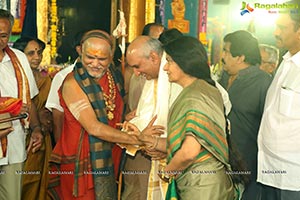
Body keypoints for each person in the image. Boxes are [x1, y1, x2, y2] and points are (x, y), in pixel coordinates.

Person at [47, 30, 161, 200]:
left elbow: (111, 112)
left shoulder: (112, 75)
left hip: (108, 155)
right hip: (82, 161)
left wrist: (126, 119)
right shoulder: (72, 83)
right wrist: (140, 140)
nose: (95, 64)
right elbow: (94, 127)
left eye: (102, 59)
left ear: (110, 57)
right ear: (81, 53)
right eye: (89, 57)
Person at [135, 36, 236, 200]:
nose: (165, 68)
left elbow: (189, 151)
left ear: (185, 62)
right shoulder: (204, 89)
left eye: (169, 61)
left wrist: (167, 172)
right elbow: (191, 141)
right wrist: (150, 141)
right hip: (205, 182)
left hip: (202, 186)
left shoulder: (194, 96)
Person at [122, 35, 183, 200]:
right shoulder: (153, 80)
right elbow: (146, 119)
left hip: (181, 162)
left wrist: (165, 148)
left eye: (137, 66)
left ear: (154, 58)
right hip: (151, 161)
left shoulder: (181, 75)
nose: (136, 73)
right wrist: (137, 131)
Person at [219, 30, 272, 200]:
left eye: (226, 51)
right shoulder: (223, 77)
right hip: (221, 162)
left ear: (240, 57)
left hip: (248, 164)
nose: (222, 56)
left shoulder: (263, 82)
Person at [257, 1, 300, 199]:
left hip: (293, 173)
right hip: (270, 167)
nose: (275, 32)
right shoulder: (286, 62)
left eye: (282, 28)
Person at [0, 9, 43, 200]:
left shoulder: (19, 58)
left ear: (9, 34)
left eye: (3, 35)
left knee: (11, 196)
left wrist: (35, 129)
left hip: (14, 142)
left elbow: (30, 100)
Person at [13, 36, 52, 200]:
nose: (37, 57)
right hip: (18, 136)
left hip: (42, 137)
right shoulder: (12, 79)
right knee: (20, 184)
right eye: (31, 53)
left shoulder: (46, 79)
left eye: (39, 52)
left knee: (39, 183)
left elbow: (50, 109)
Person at [45, 31, 84, 144]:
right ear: (79, 49)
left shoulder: (110, 76)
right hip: (71, 141)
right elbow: (57, 117)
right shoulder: (63, 76)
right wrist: (60, 148)